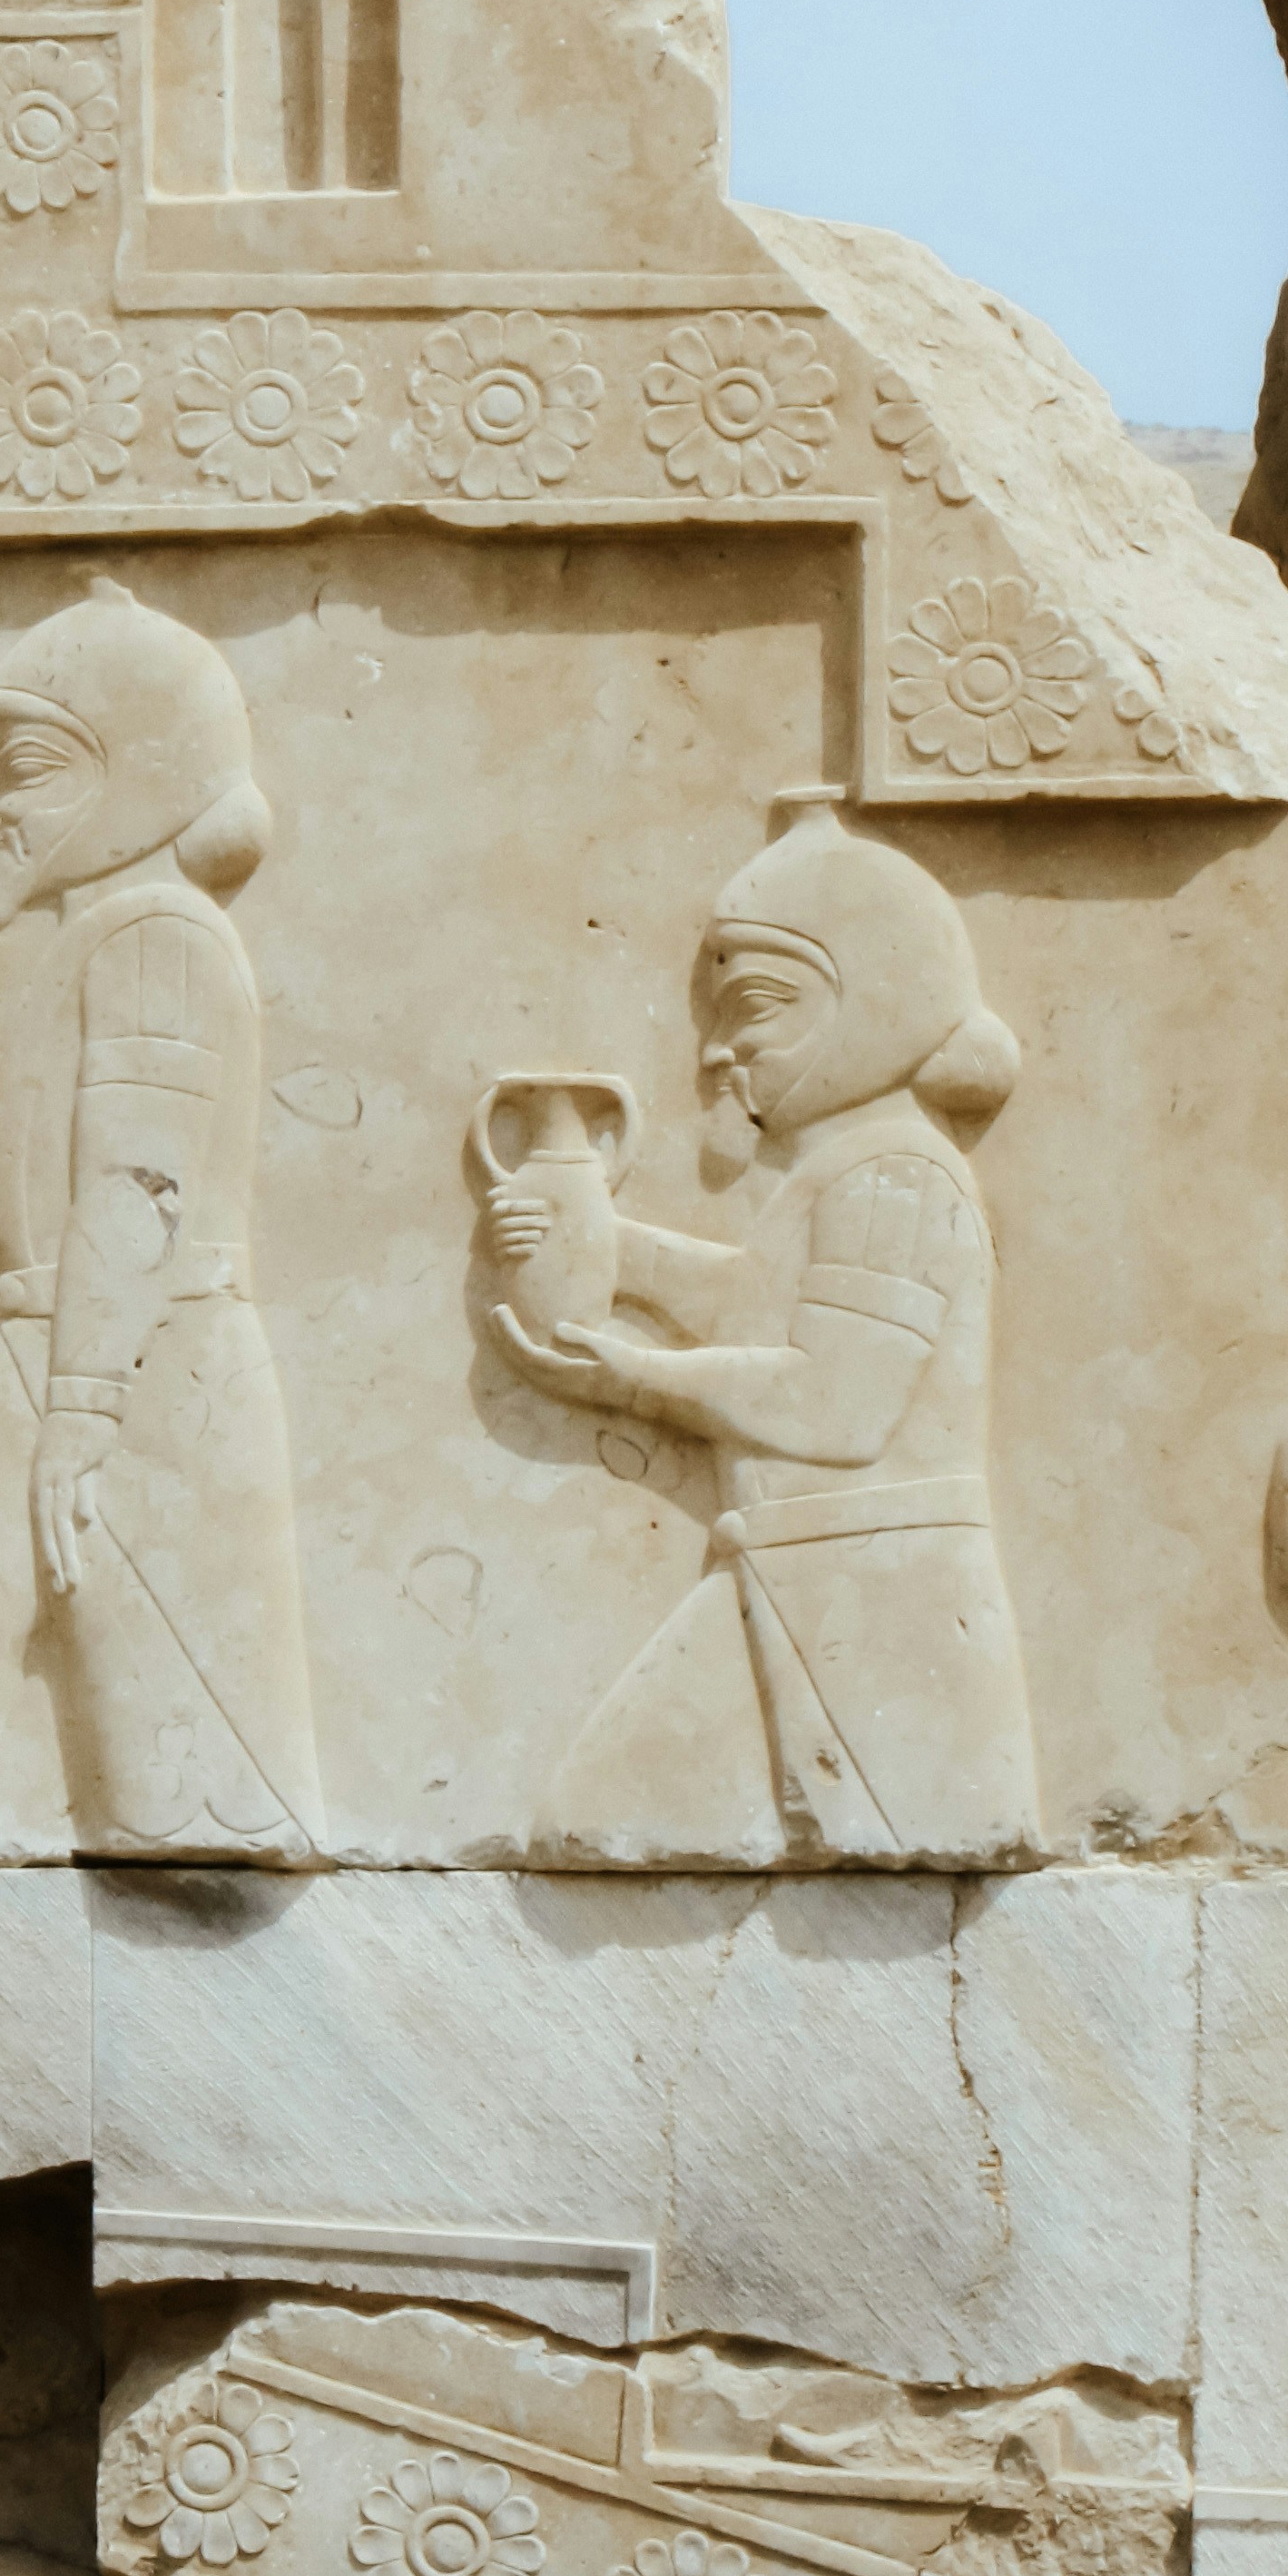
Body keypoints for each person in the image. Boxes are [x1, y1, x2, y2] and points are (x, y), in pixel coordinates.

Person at [0, 578, 320, 1858]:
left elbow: (135, 1189)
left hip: (145, 1365)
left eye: (24, 770)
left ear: (139, 778)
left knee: (178, 1746)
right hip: (64, 1350)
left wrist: (84, 1409)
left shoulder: (160, 939)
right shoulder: (45, 955)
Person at [490, 791, 1037, 1864]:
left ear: (875, 1001)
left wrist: (636, 1378)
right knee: (601, 1822)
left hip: (883, 1614)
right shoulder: (850, 1167)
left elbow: (836, 1404)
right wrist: (611, 1245)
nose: (715, 1050)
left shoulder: (895, 1175)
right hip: (795, 1577)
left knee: (612, 1821)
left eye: (756, 1007)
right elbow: (759, 1298)